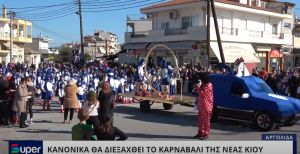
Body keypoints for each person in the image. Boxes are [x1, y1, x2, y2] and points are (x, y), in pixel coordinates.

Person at [194, 72, 213, 140]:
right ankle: (200, 133)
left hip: (207, 106)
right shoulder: (203, 84)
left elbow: (203, 93)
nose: (200, 80)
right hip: (201, 105)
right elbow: (199, 92)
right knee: (200, 120)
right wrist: (197, 86)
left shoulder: (209, 85)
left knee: (206, 121)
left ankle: (205, 134)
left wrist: (197, 86)